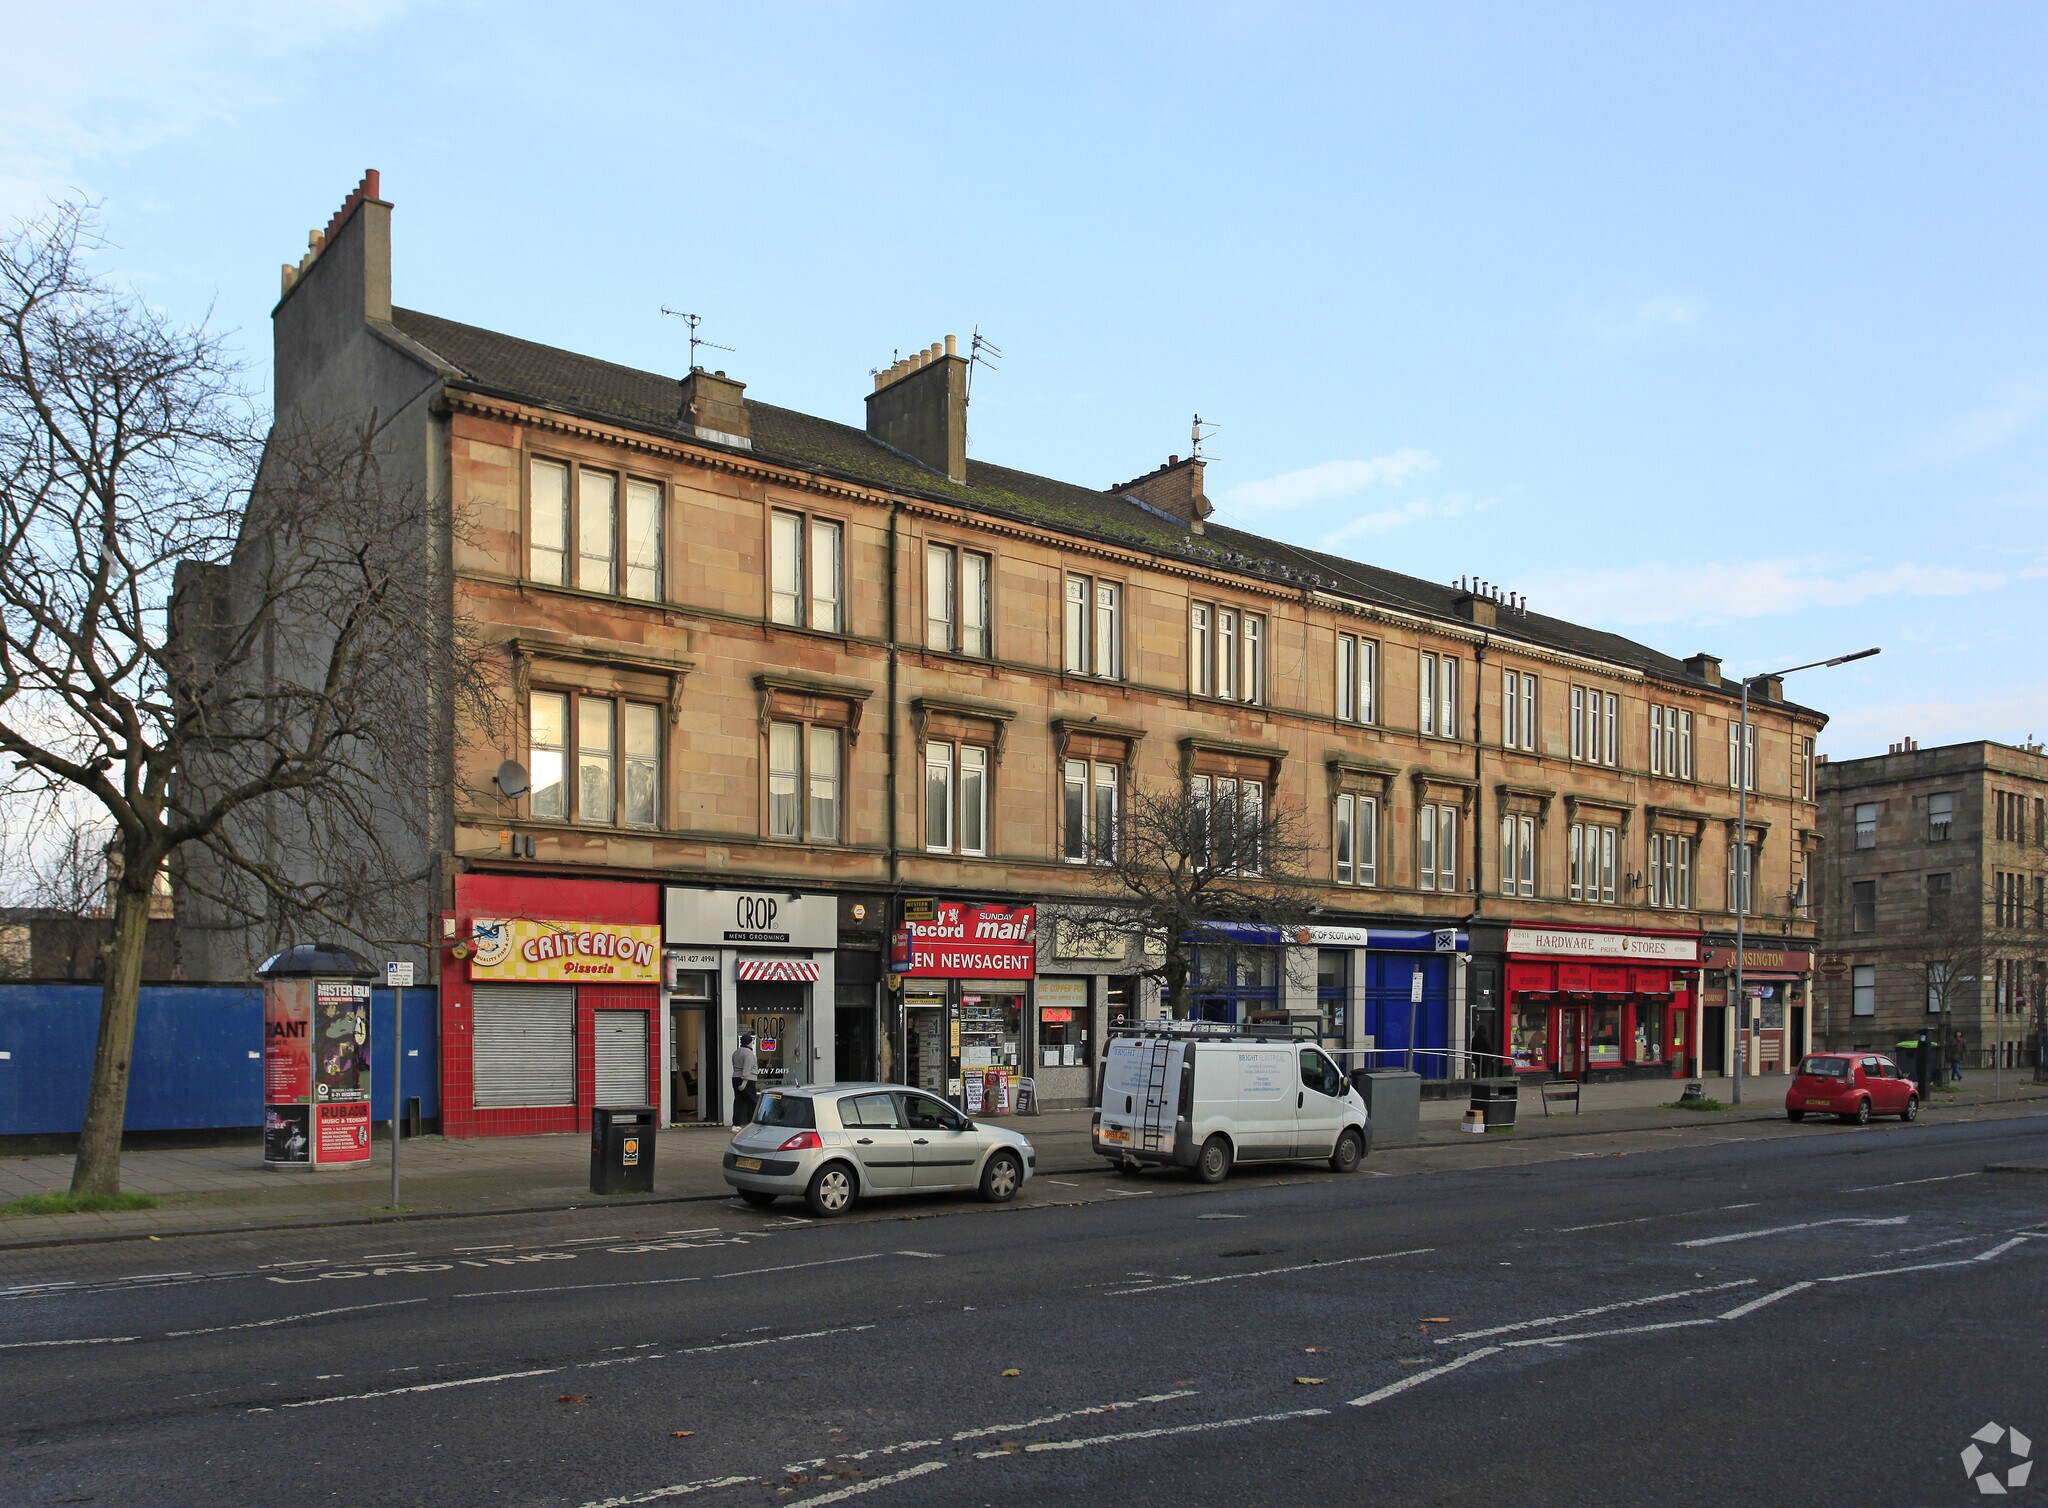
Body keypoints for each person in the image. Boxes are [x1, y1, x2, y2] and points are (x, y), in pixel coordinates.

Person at [730, 1033, 759, 1124]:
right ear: (749, 1043)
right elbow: (747, 1068)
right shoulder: (749, 1053)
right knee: (752, 1102)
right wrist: (744, 1082)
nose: (752, 1044)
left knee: (739, 1101)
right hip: (747, 1080)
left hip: (735, 1077)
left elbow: (735, 1066)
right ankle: (751, 1123)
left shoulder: (736, 1052)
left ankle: (736, 1124)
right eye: (751, 1042)